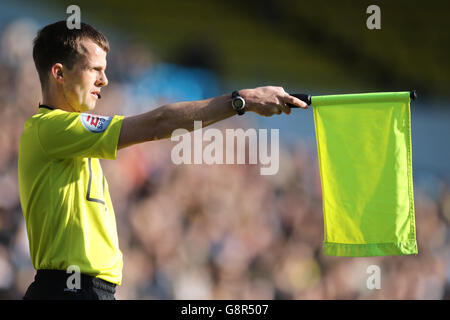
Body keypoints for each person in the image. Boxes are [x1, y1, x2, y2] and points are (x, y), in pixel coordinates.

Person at [18, 20, 308, 300]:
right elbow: (158, 122)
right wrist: (242, 101)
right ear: (59, 73)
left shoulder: (67, 136)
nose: (104, 80)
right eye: (95, 70)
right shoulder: (50, 128)